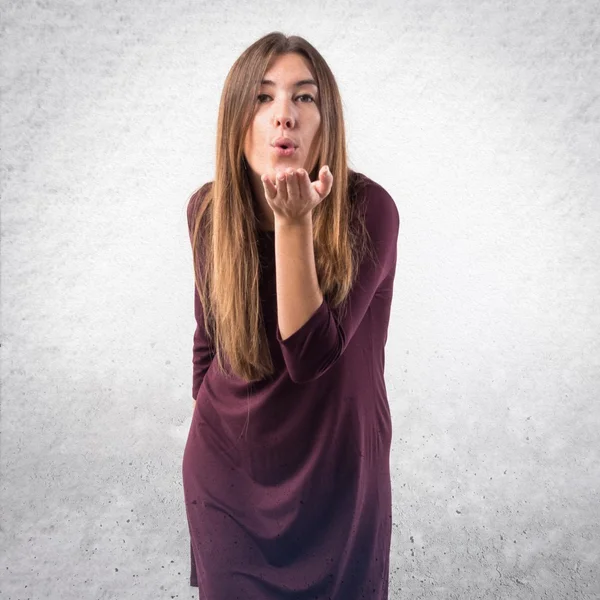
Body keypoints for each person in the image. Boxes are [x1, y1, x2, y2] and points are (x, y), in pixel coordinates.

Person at [182, 31, 400, 600]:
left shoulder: (369, 210)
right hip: (228, 483)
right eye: (263, 97)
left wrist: (294, 222)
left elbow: (311, 355)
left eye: (305, 98)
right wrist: (224, 436)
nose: (285, 116)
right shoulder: (209, 211)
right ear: (237, 120)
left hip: (338, 479)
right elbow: (208, 343)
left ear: (326, 121)